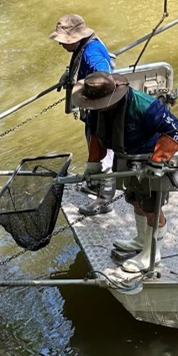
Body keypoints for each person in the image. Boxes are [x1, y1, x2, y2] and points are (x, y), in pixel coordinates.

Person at [70, 72, 178, 277]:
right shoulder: (97, 109)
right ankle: (141, 239)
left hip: (148, 161)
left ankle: (153, 253)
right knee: (134, 201)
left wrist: (158, 159)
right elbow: (96, 134)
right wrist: (93, 164)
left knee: (152, 209)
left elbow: (176, 128)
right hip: (125, 158)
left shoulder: (144, 105)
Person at [49, 14, 116, 215]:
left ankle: (105, 201)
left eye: (64, 41)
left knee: (103, 153)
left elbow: (104, 74)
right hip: (93, 109)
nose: (61, 45)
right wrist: (70, 74)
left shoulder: (91, 52)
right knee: (93, 148)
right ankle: (95, 185)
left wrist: (80, 85)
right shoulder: (85, 46)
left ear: (76, 38)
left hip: (103, 108)